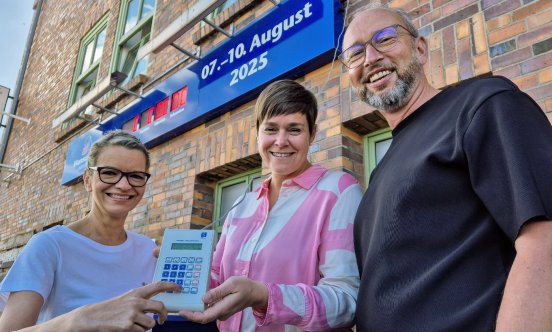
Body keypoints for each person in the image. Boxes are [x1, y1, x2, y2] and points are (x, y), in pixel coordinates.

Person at [340, 5, 552, 332]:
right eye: (355, 54)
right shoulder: (380, 173)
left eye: (384, 38)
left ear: (421, 49)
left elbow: (543, 238)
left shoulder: (483, 105)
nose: (370, 58)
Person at [180, 79, 363, 331]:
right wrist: (181, 271)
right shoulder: (244, 202)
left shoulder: (338, 191)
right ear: (257, 133)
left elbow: (346, 302)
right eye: (271, 129)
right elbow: (217, 277)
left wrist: (264, 297)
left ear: (313, 134)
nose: (280, 141)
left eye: (294, 129)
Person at [0, 131, 179, 331]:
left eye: (136, 176)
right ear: (87, 180)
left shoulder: (149, 249)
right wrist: (80, 319)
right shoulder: (49, 245)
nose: (123, 185)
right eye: (110, 172)